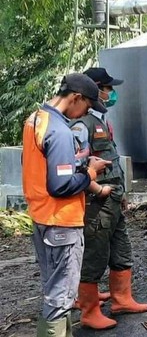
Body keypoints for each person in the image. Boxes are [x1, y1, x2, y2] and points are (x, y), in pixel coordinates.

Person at [22, 73, 111, 336]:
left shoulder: (36, 119)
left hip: (42, 218)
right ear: (76, 98)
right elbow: (60, 186)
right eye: (87, 106)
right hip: (61, 221)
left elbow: (45, 170)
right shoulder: (59, 131)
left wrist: (79, 167)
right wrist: (91, 173)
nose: (85, 113)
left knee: (54, 292)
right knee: (61, 298)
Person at [70, 67, 147, 330]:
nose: (111, 93)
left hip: (113, 200)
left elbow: (112, 161)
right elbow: (76, 165)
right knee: (94, 255)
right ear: (95, 89)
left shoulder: (100, 120)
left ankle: (121, 299)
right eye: (107, 88)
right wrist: (97, 189)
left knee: (121, 249)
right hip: (97, 203)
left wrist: (121, 193)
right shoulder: (82, 125)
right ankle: (89, 310)